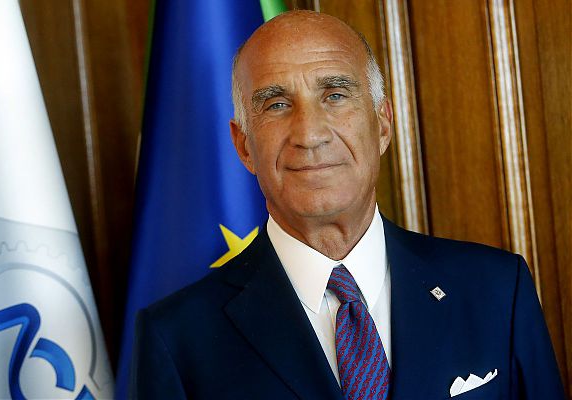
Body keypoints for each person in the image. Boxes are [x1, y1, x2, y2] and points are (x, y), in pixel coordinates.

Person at [131, 10, 565, 399]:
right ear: (244, 146)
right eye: (277, 104)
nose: (310, 134)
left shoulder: (497, 290)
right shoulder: (178, 339)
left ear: (382, 124)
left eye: (335, 95)